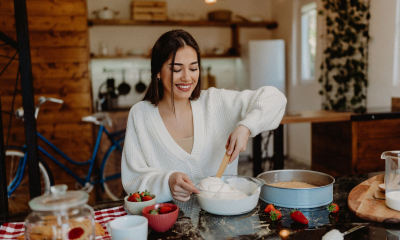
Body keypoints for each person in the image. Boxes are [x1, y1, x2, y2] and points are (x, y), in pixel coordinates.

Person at [121, 29, 287, 204]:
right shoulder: (140, 115)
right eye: (177, 69)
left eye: (193, 68)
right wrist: (167, 182)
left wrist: (247, 126)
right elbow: (133, 182)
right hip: (170, 223)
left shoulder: (215, 102)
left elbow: (275, 98)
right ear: (158, 72)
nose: (187, 77)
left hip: (224, 219)